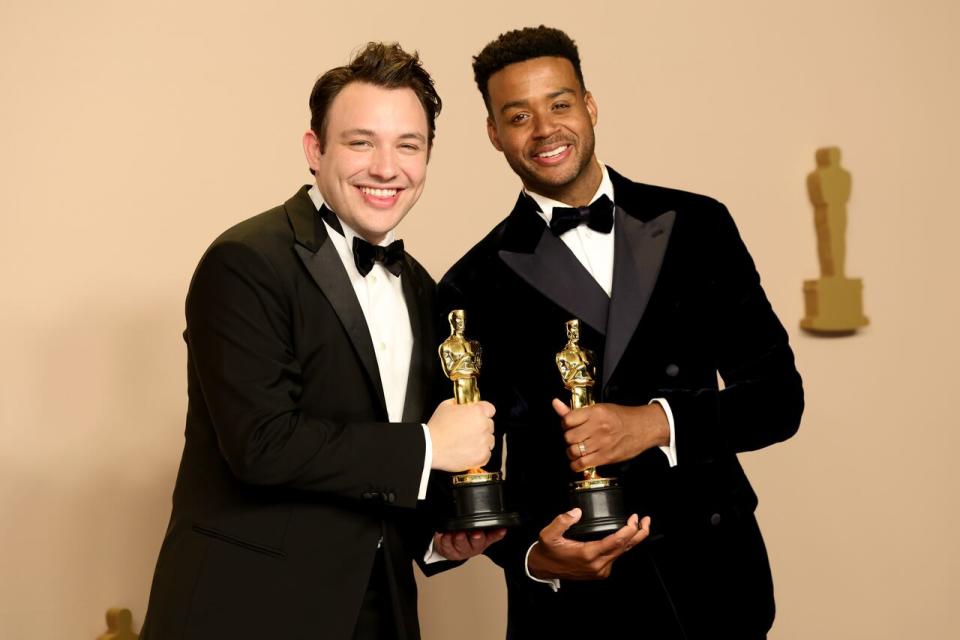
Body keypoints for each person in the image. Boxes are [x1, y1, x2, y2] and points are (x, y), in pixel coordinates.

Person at [439, 26, 804, 639]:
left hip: (715, 585)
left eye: (559, 103)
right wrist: (534, 559)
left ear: (590, 105)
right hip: (576, 609)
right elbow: (470, 477)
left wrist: (653, 424)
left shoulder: (698, 225)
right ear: (493, 134)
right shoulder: (469, 285)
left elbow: (778, 400)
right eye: (518, 115)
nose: (544, 129)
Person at [141, 42, 502, 640]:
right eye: (362, 142)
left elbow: (375, 467)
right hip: (246, 612)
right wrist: (427, 447)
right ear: (315, 149)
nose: (387, 168)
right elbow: (261, 443)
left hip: (380, 611)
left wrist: (438, 538)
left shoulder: (420, 287)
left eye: (407, 145)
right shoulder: (245, 261)